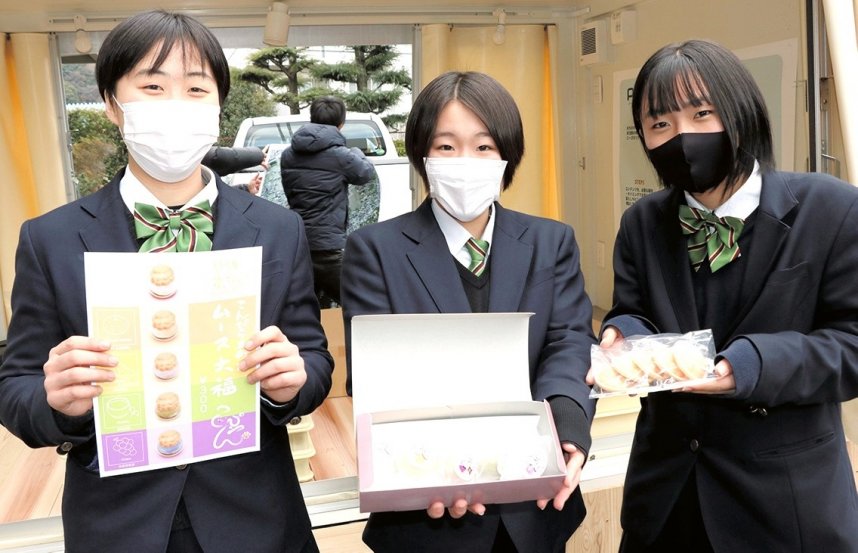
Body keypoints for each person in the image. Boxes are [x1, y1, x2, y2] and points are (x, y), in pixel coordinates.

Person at [0, 10, 333, 553]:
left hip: (257, 516)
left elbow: (314, 358)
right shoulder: (50, 239)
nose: (175, 105)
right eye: (152, 86)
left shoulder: (278, 229)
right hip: (119, 523)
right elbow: (14, 390)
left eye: (196, 88)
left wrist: (292, 382)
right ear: (112, 104)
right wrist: (57, 400)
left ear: (218, 107)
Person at [593, 39, 858, 552]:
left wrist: (752, 365)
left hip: (784, 508)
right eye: (660, 124)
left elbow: (852, 344)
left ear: (742, 113)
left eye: (702, 113)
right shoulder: (643, 223)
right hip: (666, 502)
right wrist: (620, 336)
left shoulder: (833, 209)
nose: (682, 136)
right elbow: (633, 310)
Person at [341, 71, 596, 553]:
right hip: (426, 513)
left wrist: (565, 428)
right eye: (446, 146)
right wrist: (438, 465)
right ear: (422, 156)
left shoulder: (550, 241)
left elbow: (567, 341)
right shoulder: (374, 250)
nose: (466, 162)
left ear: (507, 156)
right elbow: (375, 375)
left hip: (535, 501)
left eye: (483, 147)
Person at [281, 96, 377, 306]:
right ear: (341, 123)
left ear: (312, 118)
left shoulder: (288, 155)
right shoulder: (342, 156)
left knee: (306, 309)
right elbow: (365, 174)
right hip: (329, 248)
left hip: (298, 245)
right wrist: (356, 151)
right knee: (360, 303)